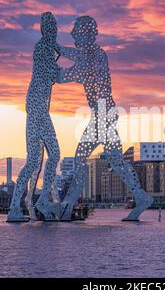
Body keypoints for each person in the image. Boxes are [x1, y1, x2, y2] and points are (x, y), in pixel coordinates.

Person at [57, 16, 153, 221]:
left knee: (81, 160)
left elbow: (65, 75)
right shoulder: (96, 54)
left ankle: (67, 208)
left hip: (102, 115)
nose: (73, 34)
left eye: (76, 30)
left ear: (86, 33)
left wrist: (52, 55)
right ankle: (142, 197)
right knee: (116, 161)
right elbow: (73, 55)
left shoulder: (93, 56)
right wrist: (57, 48)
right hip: (104, 113)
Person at [7, 12, 61, 222]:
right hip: (38, 110)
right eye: (51, 28)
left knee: (35, 163)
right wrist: (80, 70)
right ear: (44, 30)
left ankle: (25, 205)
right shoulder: (43, 48)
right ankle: (40, 201)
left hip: (36, 109)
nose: (54, 31)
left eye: (55, 28)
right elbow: (57, 74)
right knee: (52, 155)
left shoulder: (45, 47)